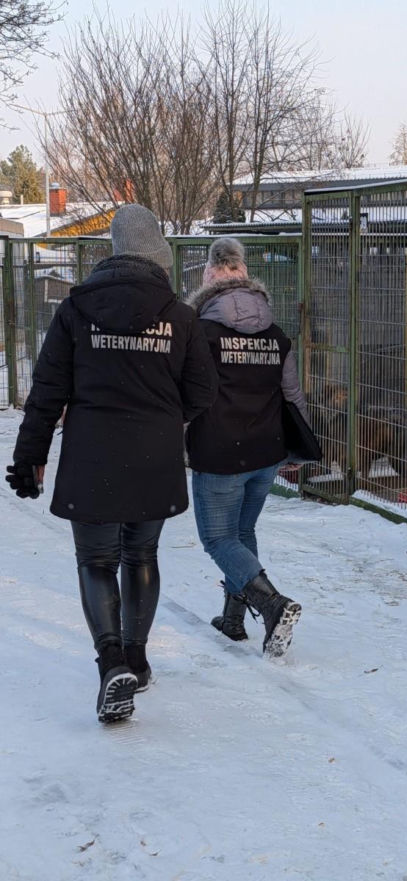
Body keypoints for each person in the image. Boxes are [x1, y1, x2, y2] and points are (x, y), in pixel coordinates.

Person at [6, 205, 217, 723]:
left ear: (114, 251)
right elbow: (203, 392)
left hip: (92, 454)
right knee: (141, 554)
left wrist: (30, 456)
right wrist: (167, 420)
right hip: (155, 456)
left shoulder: (76, 310)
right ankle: (137, 660)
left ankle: (111, 664)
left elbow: (47, 392)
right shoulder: (182, 317)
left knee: (97, 561)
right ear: (158, 256)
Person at [186, 236, 308, 658]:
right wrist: (299, 445)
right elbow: (292, 395)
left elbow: (188, 394)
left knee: (219, 539)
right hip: (266, 454)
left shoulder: (199, 332)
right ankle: (234, 619)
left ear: (209, 278)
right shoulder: (276, 334)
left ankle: (273, 605)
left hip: (220, 455)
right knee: (241, 533)